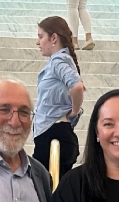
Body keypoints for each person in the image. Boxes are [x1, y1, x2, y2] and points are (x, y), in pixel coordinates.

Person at [31, 16, 85, 177]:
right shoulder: (61, 61)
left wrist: (74, 112)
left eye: (41, 37)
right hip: (53, 134)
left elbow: (77, 86)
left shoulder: (58, 61)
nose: (37, 42)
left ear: (53, 38)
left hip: (53, 134)